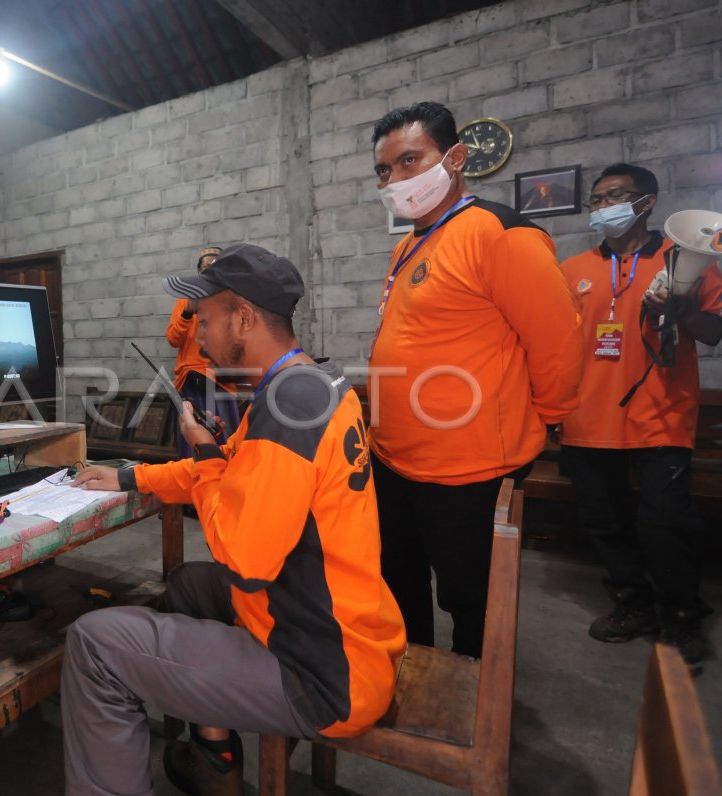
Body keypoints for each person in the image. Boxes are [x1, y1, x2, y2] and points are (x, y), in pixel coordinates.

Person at [64, 244, 405, 796]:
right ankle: (214, 756)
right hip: (339, 621)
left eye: (205, 318)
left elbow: (245, 561)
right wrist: (132, 478)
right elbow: (228, 468)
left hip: (323, 673)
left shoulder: (288, 409)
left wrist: (202, 459)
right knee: (188, 584)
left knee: (96, 643)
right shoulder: (311, 384)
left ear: (243, 318)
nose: (196, 335)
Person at [367, 101, 582, 658]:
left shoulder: (500, 233)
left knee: (471, 600)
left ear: (456, 158)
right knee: (399, 584)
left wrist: (545, 421)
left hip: (468, 467)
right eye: (385, 170)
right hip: (396, 457)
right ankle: (410, 680)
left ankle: (475, 706)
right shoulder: (409, 244)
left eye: (410, 160)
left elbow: (557, 342)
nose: (395, 180)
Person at [558, 163, 722, 665]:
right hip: (587, 418)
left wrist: (676, 309)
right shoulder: (572, 270)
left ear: (647, 202)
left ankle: (682, 615)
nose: (603, 207)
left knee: (665, 522)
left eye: (616, 197)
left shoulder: (686, 258)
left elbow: (713, 332)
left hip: (661, 414)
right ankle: (632, 604)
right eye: (597, 200)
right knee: (603, 521)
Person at [164, 245, 244, 456]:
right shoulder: (185, 299)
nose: (209, 271)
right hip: (190, 380)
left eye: (216, 266)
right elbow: (173, 338)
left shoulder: (232, 300)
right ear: (199, 270)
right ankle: (192, 483)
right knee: (191, 442)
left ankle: (225, 484)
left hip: (221, 381)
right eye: (205, 267)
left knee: (224, 441)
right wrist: (188, 314)